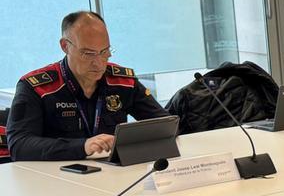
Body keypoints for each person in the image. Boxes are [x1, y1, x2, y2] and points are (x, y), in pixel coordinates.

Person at [6, 11, 166, 161]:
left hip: (115, 173)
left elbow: (165, 124)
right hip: (59, 178)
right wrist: (83, 146)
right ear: (65, 46)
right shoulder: (37, 87)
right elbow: (19, 145)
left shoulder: (123, 81)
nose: (98, 63)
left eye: (104, 52)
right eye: (88, 53)